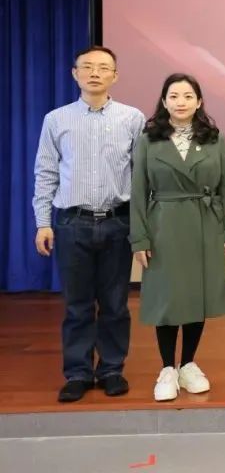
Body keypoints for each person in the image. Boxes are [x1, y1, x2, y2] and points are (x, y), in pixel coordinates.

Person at [32, 45, 145, 403]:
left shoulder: (132, 118)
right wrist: (43, 222)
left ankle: (111, 370)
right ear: (75, 73)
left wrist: (142, 229)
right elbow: (46, 173)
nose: (95, 73)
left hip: (118, 222)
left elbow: (142, 176)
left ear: (115, 75)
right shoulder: (56, 119)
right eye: (88, 67)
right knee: (77, 306)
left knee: (115, 304)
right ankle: (78, 373)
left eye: (103, 67)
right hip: (72, 223)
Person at [129, 73, 225, 402]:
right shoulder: (149, 139)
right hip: (162, 225)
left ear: (199, 101)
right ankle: (167, 369)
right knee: (167, 297)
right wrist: (139, 239)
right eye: (174, 96)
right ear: (164, 101)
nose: (181, 102)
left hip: (204, 223)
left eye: (188, 96)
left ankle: (188, 363)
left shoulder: (214, 138)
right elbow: (138, 191)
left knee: (196, 295)